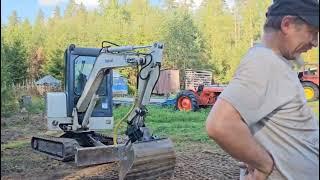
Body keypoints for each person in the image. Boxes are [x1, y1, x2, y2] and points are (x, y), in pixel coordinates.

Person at [205, 0, 319, 179]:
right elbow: (220, 125)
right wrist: (263, 164)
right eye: (312, 32)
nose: (315, 42)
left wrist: (249, 152)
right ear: (287, 24)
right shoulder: (265, 62)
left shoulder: (274, 62)